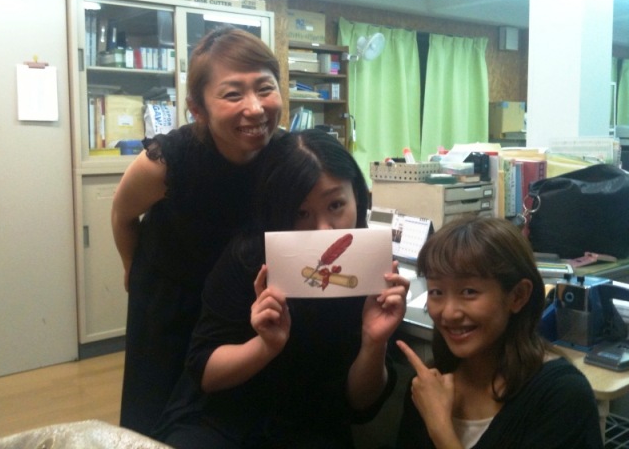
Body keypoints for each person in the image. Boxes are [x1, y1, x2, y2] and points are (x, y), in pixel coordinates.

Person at [153, 129, 409, 448]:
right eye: (301, 213)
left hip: (311, 426)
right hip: (225, 420)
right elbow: (205, 374)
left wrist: (374, 341)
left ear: (358, 196)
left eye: (336, 205)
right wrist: (265, 346)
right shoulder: (248, 258)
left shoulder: (372, 271)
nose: (323, 229)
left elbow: (360, 404)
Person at [110, 26, 283, 436]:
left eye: (265, 88)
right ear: (197, 108)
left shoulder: (284, 157)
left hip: (238, 301)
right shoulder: (167, 161)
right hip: (171, 298)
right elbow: (121, 215)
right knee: (155, 410)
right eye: (233, 94)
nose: (255, 108)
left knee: (231, 412)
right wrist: (133, 268)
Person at [395, 215, 603, 449]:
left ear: (518, 296)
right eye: (436, 292)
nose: (449, 313)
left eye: (469, 292)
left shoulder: (563, 395)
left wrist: (440, 428)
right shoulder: (428, 387)